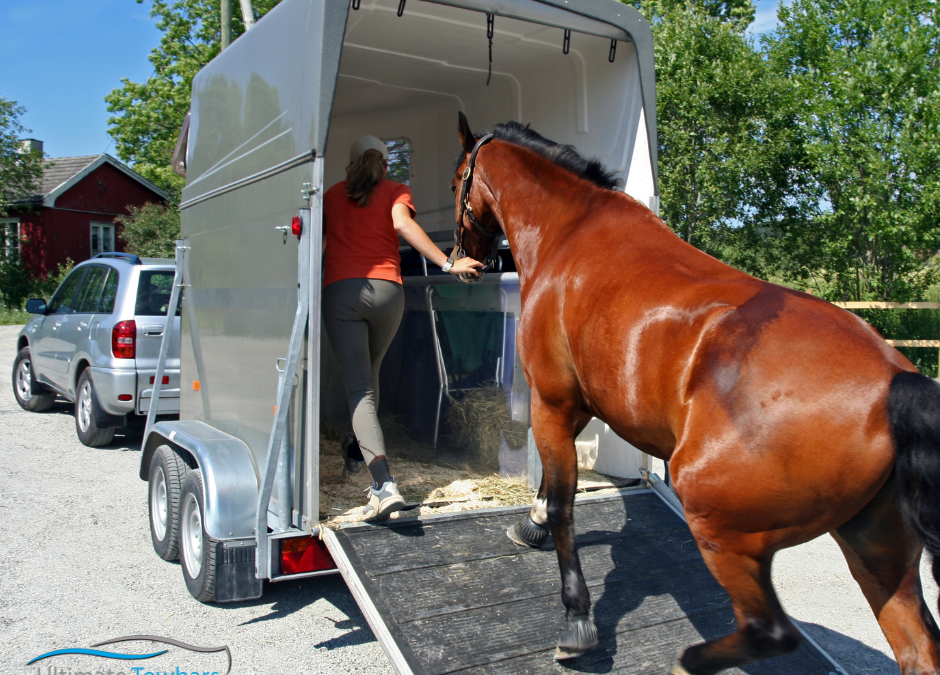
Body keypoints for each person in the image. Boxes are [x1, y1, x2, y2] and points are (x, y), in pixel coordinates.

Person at [322, 134, 484, 520]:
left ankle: (383, 486)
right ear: (384, 164)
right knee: (371, 375)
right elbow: (401, 225)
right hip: (388, 294)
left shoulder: (331, 195)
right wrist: (448, 264)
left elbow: (324, 245)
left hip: (343, 290)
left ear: (350, 164)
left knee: (358, 389)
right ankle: (354, 444)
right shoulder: (396, 189)